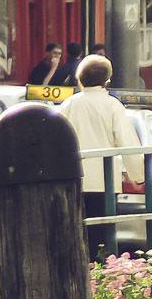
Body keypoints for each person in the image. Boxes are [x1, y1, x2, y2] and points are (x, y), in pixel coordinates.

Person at [59, 54, 145, 262]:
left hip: (73, 182)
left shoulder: (68, 104)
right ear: (107, 79)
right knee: (102, 240)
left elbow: (58, 141)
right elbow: (127, 142)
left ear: (80, 78)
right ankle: (99, 282)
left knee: (74, 236)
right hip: (104, 184)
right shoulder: (112, 105)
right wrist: (138, 175)